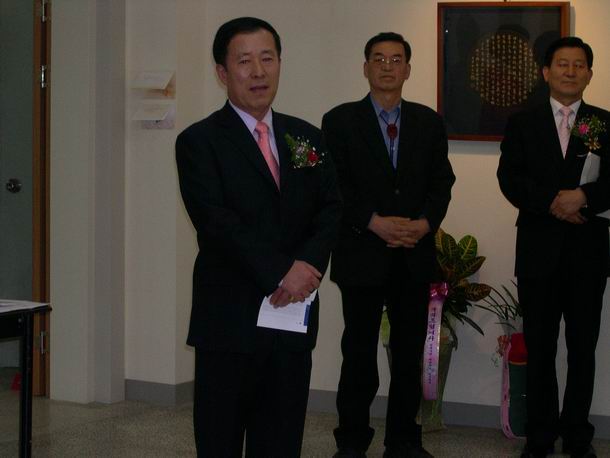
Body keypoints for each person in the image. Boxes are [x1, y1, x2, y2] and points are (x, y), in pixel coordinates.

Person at [175, 17, 341, 457]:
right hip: (228, 321)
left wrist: (308, 267)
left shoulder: (306, 137)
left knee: (281, 441)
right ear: (222, 72)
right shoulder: (199, 142)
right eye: (244, 61)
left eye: (267, 58)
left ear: (280, 63)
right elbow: (216, 223)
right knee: (220, 442)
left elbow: (331, 208)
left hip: (291, 322)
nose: (258, 71)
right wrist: (282, 271)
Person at [322, 32, 455, 458]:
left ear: (408, 69)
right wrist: (374, 222)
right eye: (378, 59)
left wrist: (424, 224)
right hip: (362, 252)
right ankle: (352, 441)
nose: (387, 66)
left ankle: (403, 441)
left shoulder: (428, 122)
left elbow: (442, 183)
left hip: (413, 255)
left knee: (408, 354)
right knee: (358, 353)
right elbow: (334, 184)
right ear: (365, 67)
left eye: (396, 59)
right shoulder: (339, 121)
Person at [498, 36, 609, 458]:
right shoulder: (523, 122)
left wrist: (584, 198)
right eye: (562, 64)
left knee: (583, 350)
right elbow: (510, 178)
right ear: (546, 72)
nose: (570, 71)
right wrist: (554, 202)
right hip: (538, 254)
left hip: (587, 254)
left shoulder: (602, 123)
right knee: (540, 349)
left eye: (579, 65)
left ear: (589, 74)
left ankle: (578, 435)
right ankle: (540, 435)